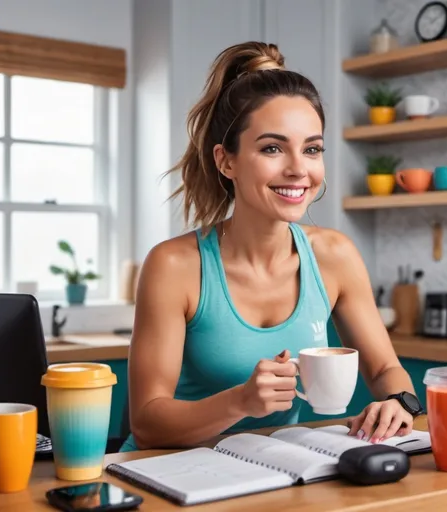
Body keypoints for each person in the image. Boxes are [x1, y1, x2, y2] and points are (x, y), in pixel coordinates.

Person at [121, 41, 421, 452]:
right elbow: (148, 423)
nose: (299, 169)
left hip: (269, 471)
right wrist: (240, 402)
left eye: (312, 149)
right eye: (272, 148)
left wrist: (398, 402)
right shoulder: (174, 266)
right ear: (227, 161)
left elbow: (386, 368)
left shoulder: (335, 256)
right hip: (166, 477)